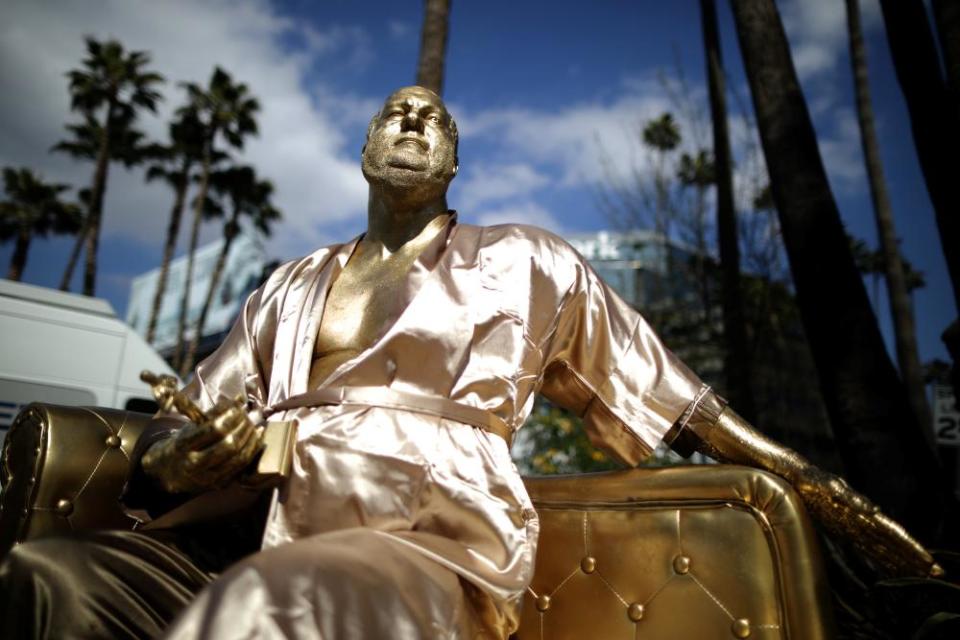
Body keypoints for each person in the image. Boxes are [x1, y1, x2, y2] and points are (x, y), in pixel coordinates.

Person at [0, 86, 940, 640]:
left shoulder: (527, 263)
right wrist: (178, 460)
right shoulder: (286, 286)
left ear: (454, 161)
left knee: (268, 605)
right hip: (238, 528)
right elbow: (178, 422)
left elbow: (672, 396)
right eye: (394, 115)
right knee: (54, 576)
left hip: (419, 543)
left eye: (432, 119)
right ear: (367, 150)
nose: (411, 122)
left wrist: (814, 483)